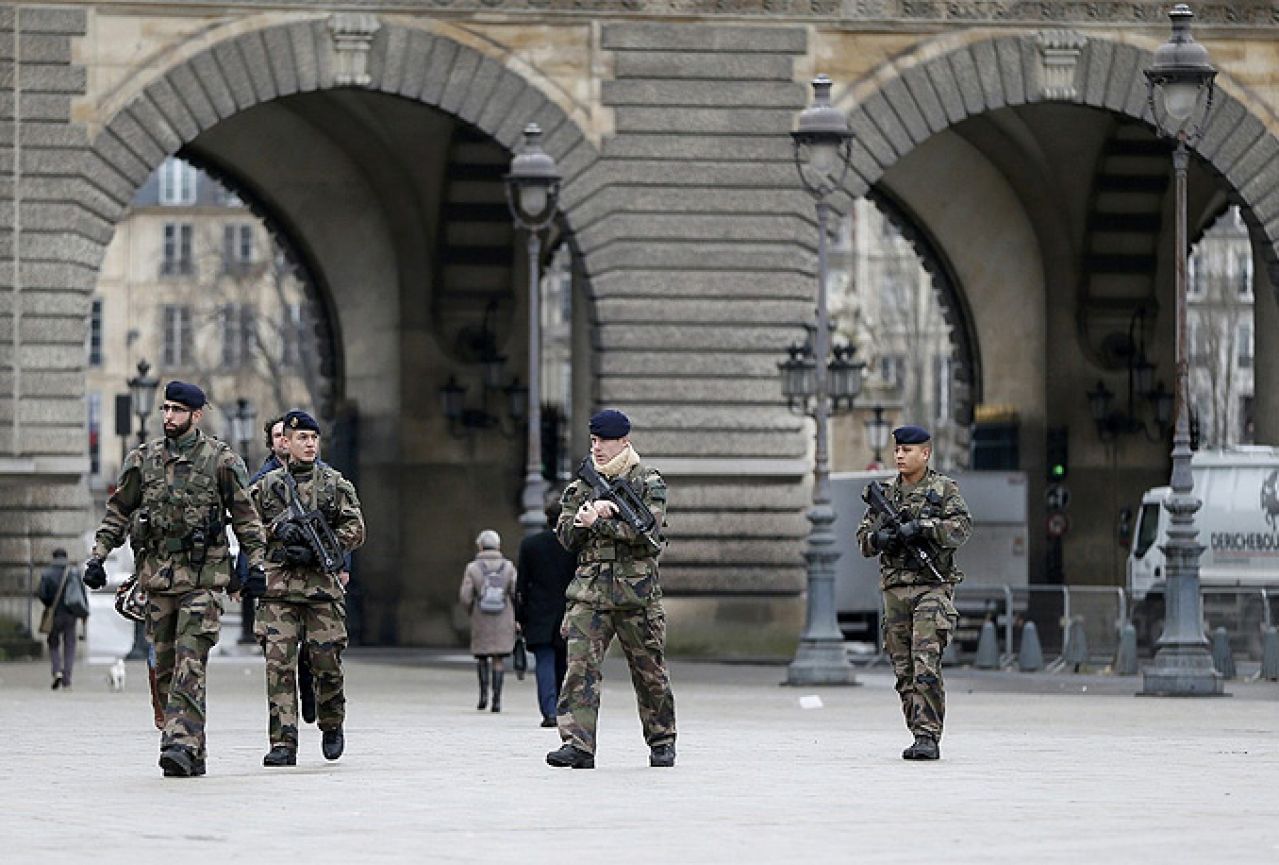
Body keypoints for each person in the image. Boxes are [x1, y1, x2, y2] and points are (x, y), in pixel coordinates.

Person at [83, 381, 267, 777]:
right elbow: (118, 511)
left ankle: (178, 742)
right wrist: (98, 557)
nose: (169, 416)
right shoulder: (143, 460)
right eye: (165, 409)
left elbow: (247, 518)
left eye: (177, 410)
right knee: (164, 666)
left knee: (190, 658)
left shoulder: (221, 460)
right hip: (157, 578)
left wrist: (256, 566)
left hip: (203, 580)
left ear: (196, 415)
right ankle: (191, 750)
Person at [546, 409, 676, 770]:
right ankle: (577, 744)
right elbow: (565, 536)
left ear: (624, 442)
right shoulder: (580, 486)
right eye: (593, 441)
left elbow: (649, 538)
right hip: (590, 594)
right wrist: (585, 517)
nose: (597, 447)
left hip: (638, 596)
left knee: (650, 672)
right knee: (579, 669)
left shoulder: (649, 482)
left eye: (604, 441)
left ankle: (662, 739)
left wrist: (604, 520)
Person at [250, 410, 365, 767]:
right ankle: (283, 742)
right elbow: (246, 526)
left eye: (314, 438)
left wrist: (323, 543)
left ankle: (332, 722)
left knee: (326, 661)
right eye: (302, 438)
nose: (310, 444)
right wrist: (275, 534)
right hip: (279, 589)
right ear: (286, 442)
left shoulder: (334, 483)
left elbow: (356, 528)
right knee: (278, 665)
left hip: (320, 590)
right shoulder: (269, 486)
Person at [856, 425, 971, 761]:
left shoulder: (944, 489)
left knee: (925, 660)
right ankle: (916, 728)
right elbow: (863, 538)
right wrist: (881, 539)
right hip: (895, 590)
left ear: (926, 453)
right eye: (898, 450)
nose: (900, 456)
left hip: (931, 587)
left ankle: (928, 735)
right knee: (903, 667)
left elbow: (961, 528)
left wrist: (923, 527)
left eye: (908, 450)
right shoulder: (886, 496)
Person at [516, 494, 577, 727]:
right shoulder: (574, 546)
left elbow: (522, 585)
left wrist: (519, 616)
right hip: (568, 611)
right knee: (564, 664)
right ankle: (562, 709)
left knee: (544, 663)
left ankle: (549, 711)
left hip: (539, 613)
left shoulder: (531, 544)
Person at [459, 530, 517, 713]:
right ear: (498, 546)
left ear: (480, 546)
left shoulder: (473, 568)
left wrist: (471, 610)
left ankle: (483, 696)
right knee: (498, 658)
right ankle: (497, 699)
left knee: (482, 657)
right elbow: (516, 591)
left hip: (481, 616)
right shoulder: (508, 567)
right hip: (503, 616)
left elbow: (465, 595)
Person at [35, 548, 86, 690]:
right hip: (71, 614)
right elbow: (81, 594)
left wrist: (49, 605)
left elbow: (42, 593)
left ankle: (57, 670)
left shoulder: (47, 573)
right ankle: (67, 679)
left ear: (53, 557)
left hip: (54, 614)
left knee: (53, 643)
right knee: (70, 645)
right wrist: (83, 612)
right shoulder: (74, 573)